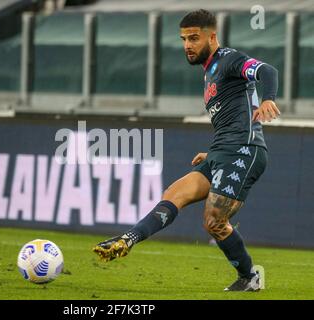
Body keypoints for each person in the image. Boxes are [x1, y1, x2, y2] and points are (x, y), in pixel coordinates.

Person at [92, 9, 281, 292]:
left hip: (244, 150)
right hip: (221, 151)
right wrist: (214, 154)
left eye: (194, 38)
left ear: (212, 36)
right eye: (183, 39)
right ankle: (127, 239)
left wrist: (268, 99)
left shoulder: (230, 59)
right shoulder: (210, 72)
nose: (187, 45)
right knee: (173, 194)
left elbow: (268, 70)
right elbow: (232, 115)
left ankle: (249, 277)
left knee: (214, 221)